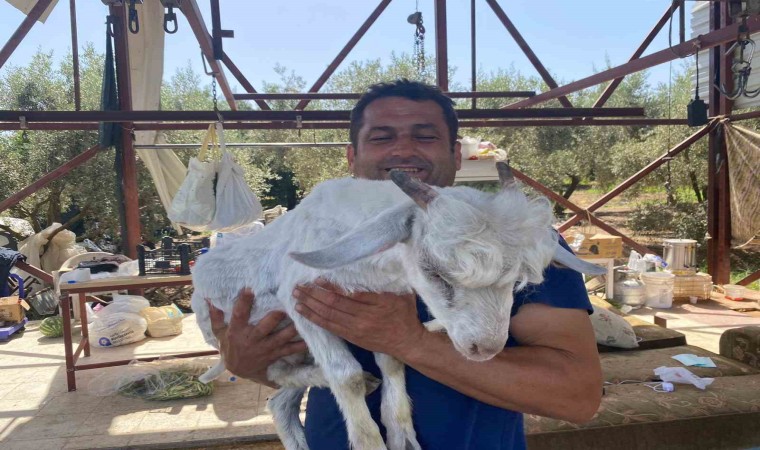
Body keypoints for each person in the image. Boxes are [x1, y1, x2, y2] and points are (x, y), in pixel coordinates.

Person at [208, 80, 602, 449]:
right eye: (381, 138)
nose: (404, 150)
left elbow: (576, 397)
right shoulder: (316, 233)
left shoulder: (516, 237)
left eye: (425, 136)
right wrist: (245, 363)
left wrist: (409, 341)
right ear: (352, 157)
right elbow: (299, 360)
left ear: (456, 154)